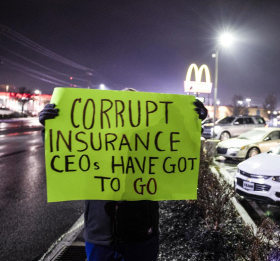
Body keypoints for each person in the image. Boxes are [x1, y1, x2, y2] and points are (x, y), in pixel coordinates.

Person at [39, 93, 207, 261]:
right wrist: (51, 127)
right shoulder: (97, 142)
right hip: (100, 236)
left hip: (141, 236)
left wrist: (191, 120)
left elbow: (178, 149)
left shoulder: (150, 142)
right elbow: (67, 151)